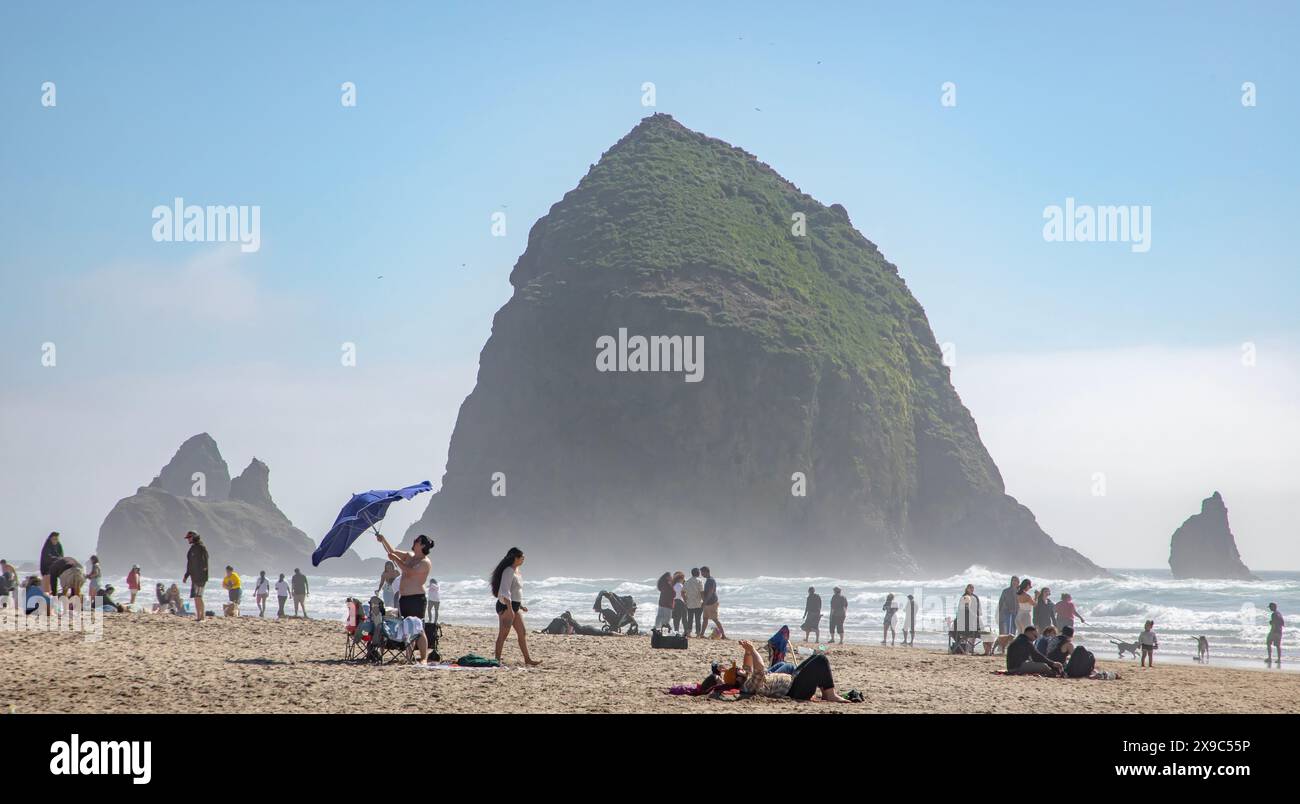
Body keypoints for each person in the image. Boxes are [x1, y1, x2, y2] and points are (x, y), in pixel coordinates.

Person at [738, 639, 852, 702]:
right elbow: (760, 667)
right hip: (795, 691)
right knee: (821, 659)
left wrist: (747, 651)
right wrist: (753, 650)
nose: (739, 669)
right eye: (737, 671)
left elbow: (747, 666)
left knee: (812, 659)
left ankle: (826, 693)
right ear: (737, 679)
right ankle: (830, 695)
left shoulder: (747, 679)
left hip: (793, 683)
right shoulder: (750, 685)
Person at [490, 547, 541, 666]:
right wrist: (509, 609)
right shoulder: (508, 571)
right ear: (515, 558)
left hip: (515, 606)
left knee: (522, 632)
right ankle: (496, 660)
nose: (524, 559)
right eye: (522, 557)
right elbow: (504, 590)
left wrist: (521, 606)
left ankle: (527, 659)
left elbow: (515, 591)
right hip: (506, 606)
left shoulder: (516, 571)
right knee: (503, 635)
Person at [375, 533, 434, 620]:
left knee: (416, 628)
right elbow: (392, 552)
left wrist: (396, 559)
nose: (414, 541)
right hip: (403, 598)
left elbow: (409, 572)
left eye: (417, 540)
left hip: (416, 599)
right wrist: (383, 540)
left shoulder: (425, 562)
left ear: (423, 546)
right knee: (405, 626)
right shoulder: (409, 555)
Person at [181, 531, 209, 621]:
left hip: (201, 577)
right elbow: (189, 564)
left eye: (189, 537)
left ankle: (202, 617)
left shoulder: (201, 547)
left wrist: (204, 571)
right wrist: (186, 575)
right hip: (194, 577)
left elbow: (206, 560)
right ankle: (198, 617)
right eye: (188, 538)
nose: (188, 539)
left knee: (199, 596)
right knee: (196, 597)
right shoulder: (191, 549)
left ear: (194, 537)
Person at [700, 566, 726, 639]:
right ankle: (702, 634)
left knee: (715, 619)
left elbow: (710, 592)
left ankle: (723, 635)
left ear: (707, 572)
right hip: (708, 603)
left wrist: (705, 601)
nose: (701, 574)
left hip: (712, 602)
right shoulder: (708, 580)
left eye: (702, 572)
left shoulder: (711, 580)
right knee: (705, 619)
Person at [683, 568, 704, 637]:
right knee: (698, 619)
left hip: (690, 603)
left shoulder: (687, 582)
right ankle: (698, 633)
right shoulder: (699, 581)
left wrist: (685, 600)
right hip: (698, 603)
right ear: (698, 573)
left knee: (690, 618)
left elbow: (682, 592)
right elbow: (702, 592)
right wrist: (704, 601)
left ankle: (689, 633)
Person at [1266, 603, 1284, 667]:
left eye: (1270, 607)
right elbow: (1282, 623)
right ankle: (1279, 659)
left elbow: (1274, 623)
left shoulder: (1273, 614)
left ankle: (1269, 658)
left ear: (1273, 607)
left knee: (1268, 642)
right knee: (1278, 646)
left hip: (1274, 631)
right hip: (1279, 631)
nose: (1270, 608)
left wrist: (1272, 631)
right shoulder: (1279, 613)